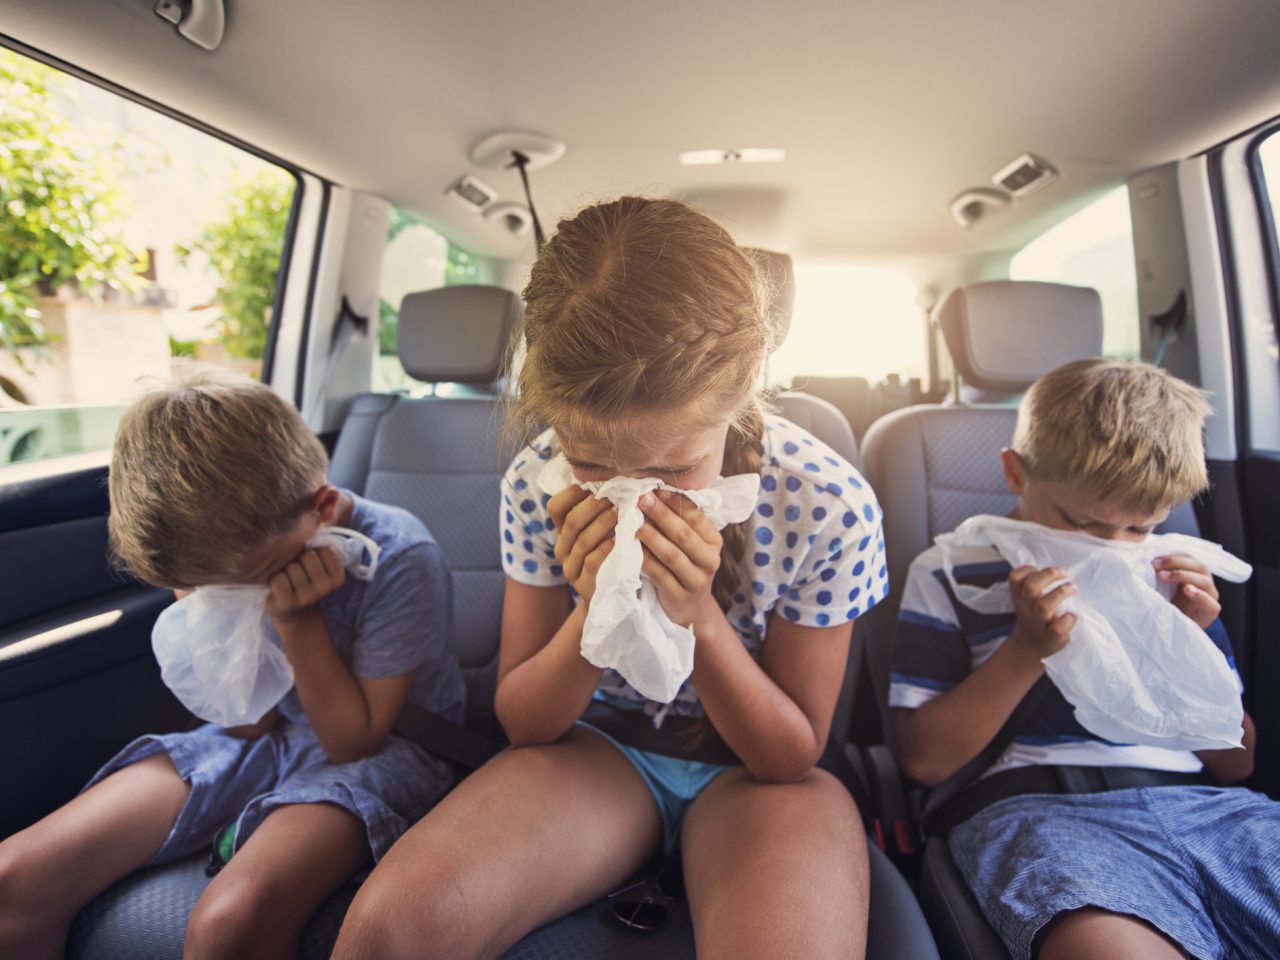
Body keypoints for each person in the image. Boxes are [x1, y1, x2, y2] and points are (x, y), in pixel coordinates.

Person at [332, 197, 888, 960]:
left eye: (675, 467)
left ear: (747, 385)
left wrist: (698, 615)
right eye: (593, 465)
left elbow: (790, 755)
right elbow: (526, 721)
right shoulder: (537, 481)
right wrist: (596, 607)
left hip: (756, 777)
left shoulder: (829, 505)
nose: (637, 497)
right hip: (598, 748)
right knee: (385, 936)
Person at [0, 364, 464, 960]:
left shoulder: (400, 556)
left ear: (321, 507)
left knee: (230, 920)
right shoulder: (214, 557)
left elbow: (354, 742)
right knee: (14, 879)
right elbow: (245, 722)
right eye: (203, 590)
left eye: (242, 583)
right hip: (262, 735)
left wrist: (297, 622)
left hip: (389, 749)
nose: (225, 599)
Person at [890, 358, 1280, 960]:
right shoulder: (949, 572)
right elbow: (923, 761)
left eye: (1141, 528)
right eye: (1083, 524)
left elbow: (1236, 764)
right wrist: (1027, 649)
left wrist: (1188, 642)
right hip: (1038, 811)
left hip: (1209, 809)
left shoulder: (1168, 575)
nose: (1111, 547)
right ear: (1014, 474)